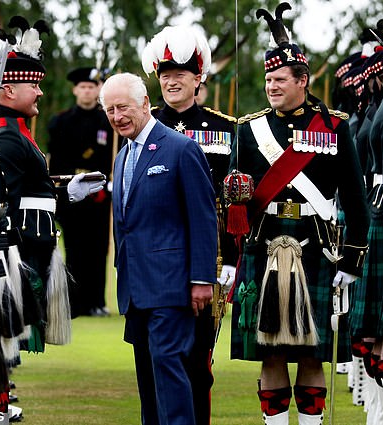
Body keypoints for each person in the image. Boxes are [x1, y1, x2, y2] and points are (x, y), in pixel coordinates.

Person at [227, 4, 369, 425]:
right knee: (269, 351)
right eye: (267, 80)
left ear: (302, 81)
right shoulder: (247, 129)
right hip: (263, 246)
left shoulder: (334, 127)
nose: (271, 86)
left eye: (279, 80)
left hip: (317, 249)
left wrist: (353, 260)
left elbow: (356, 201)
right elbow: (234, 201)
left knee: (312, 352)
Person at [99, 72, 217, 425]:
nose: (117, 117)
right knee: (148, 381)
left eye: (123, 108)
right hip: (134, 290)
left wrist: (201, 279)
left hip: (171, 286)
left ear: (146, 104)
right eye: (109, 111)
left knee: (169, 369)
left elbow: (203, 219)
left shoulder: (181, 148)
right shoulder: (122, 156)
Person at [141, 25, 236, 425]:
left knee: (197, 363)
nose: (171, 79)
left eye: (180, 71)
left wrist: (231, 258)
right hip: (155, 263)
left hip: (205, 261)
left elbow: (236, 202)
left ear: (199, 78)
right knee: (153, 362)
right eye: (164, 72)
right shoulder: (143, 127)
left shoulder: (228, 129)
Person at [0, 26, 104, 352]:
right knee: (5, 344)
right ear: (9, 90)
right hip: (22, 251)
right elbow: (7, 201)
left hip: (34, 246)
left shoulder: (16, 130)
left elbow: (31, 187)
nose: (40, 92)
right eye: (33, 85)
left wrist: (67, 189)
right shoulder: (8, 135)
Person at [48, 66, 114, 317]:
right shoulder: (61, 121)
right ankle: (75, 302)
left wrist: (110, 179)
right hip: (70, 191)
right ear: (75, 90)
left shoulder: (107, 122)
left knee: (98, 248)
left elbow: (112, 155)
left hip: (99, 191)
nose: (87, 91)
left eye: (92, 87)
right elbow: (56, 160)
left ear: (98, 90)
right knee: (74, 248)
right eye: (83, 87)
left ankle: (97, 301)